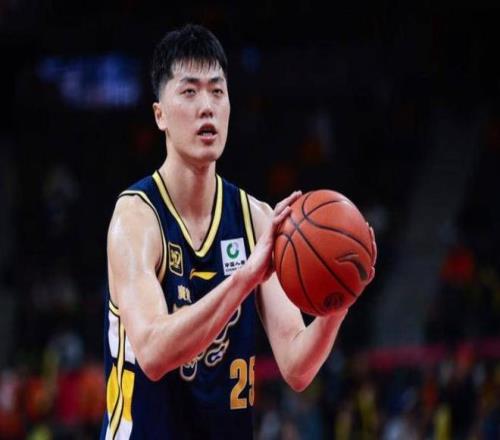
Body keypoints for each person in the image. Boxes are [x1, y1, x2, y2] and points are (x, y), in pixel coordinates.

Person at [100, 24, 376, 439]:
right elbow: (153, 354)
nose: (206, 107)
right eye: (189, 92)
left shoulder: (257, 219)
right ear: (160, 115)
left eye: (217, 91)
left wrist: (340, 298)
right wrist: (244, 279)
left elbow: (297, 367)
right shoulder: (136, 219)